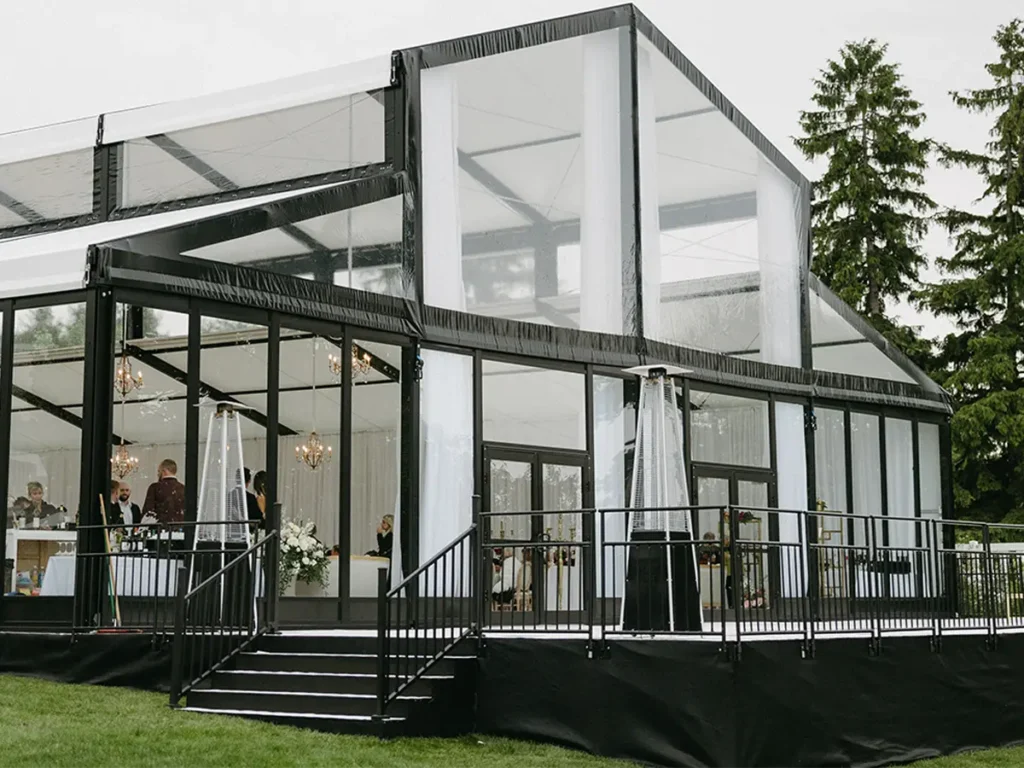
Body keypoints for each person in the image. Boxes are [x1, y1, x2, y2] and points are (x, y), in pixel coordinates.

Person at [141, 459, 185, 525]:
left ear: (164, 471)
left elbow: (148, 512)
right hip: (181, 529)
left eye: (159, 471)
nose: (158, 474)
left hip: (160, 529)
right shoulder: (183, 488)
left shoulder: (155, 487)